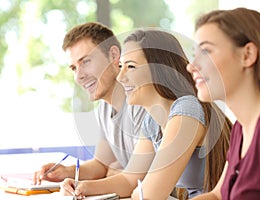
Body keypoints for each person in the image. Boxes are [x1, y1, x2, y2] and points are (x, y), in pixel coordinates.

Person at [60, 29, 232, 200]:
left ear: (159, 69)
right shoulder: (152, 121)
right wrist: (81, 186)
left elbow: (148, 195)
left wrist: (137, 189)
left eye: (131, 67)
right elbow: (129, 180)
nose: (120, 77)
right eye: (122, 66)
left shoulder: (187, 110)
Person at [187, 8, 260, 200]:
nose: (191, 66)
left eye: (206, 51)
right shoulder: (241, 126)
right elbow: (217, 195)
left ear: (247, 55)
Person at [32, 22, 147, 185]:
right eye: (73, 68)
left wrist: (113, 173)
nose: (79, 76)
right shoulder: (104, 109)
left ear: (114, 55)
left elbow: (139, 177)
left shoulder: (142, 100)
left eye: (85, 62)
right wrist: (66, 172)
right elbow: (101, 164)